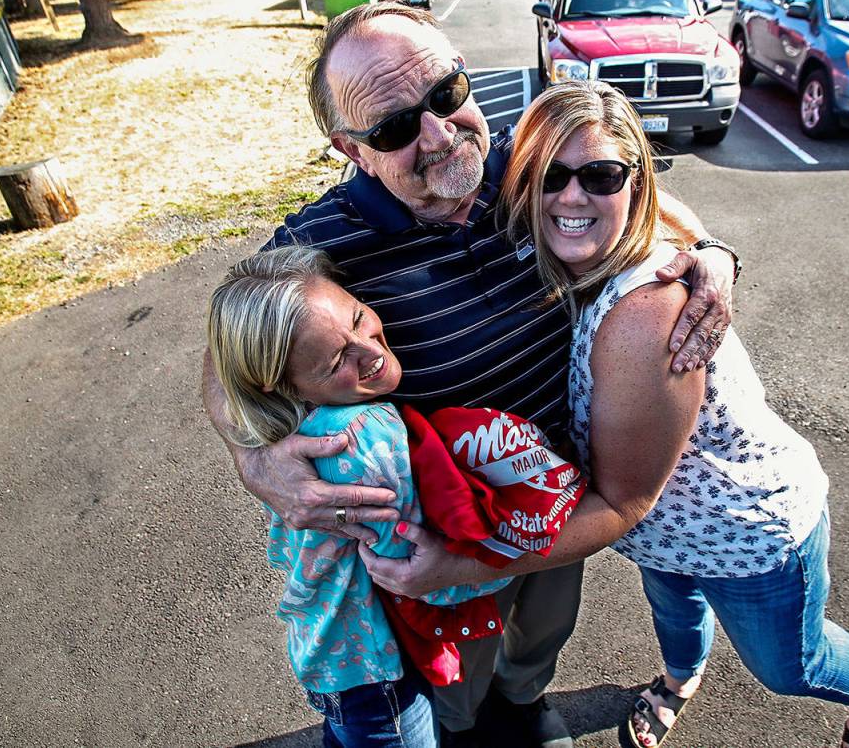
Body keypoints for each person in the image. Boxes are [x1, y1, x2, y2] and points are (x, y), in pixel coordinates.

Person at [201, 1, 741, 748]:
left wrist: (712, 247)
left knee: (542, 631)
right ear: (352, 151)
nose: (438, 133)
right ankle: (466, 725)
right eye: (393, 129)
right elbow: (226, 348)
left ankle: (525, 703)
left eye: (447, 94)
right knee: (456, 673)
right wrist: (254, 458)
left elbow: (628, 186)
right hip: (446, 519)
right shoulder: (320, 239)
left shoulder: (518, 164)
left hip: (553, 490)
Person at [363, 80, 849, 748]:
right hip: (665, 536)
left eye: (601, 176)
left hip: (744, 535)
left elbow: (624, 503)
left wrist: (456, 567)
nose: (572, 195)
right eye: (550, 176)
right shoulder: (574, 248)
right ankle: (679, 680)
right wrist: (711, 245)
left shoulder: (645, 318)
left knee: (791, 666)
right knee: (677, 619)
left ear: (635, 184)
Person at [206, 245, 588, 746]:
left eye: (360, 317)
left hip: (330, 647)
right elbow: (412, 570)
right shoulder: (363, 439)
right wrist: (487, 567)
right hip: (374, 658)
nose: (371, 351)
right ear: (282, 383)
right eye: (337, 359)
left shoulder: (298, 429)